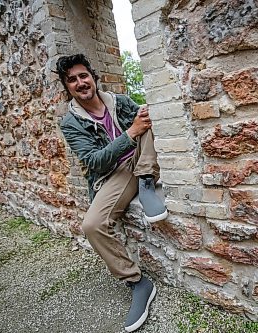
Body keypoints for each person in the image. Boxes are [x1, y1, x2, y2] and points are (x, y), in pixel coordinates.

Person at [56, 54, 168, 332]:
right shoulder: (71, 122)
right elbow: (94, 161)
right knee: (92, 225)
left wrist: (140, 123)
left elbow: (146, 128)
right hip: (114, 174)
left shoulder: (119, 102)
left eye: (83, 75)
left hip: (143, 161)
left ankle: (146, 186)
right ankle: (138, 283)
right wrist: (130, 133)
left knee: (147, 117)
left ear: (93, 77)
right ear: (67, 86)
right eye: (72, 80)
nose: (80, 83)